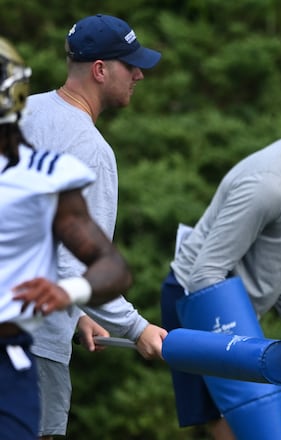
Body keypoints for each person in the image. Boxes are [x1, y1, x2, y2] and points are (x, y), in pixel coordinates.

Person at [160, 74, 281, 439]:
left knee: (240, 424)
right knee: (250, 423)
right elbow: (204, 274)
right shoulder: (270, 184)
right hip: (194, 299)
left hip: (216, 297)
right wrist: (230, 342)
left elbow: (270, 256)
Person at [17, 14, 168, 439]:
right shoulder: (91, 152)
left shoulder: (21, 112)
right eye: (130, 64)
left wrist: (77, 312)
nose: (139, 74)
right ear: (100, 70)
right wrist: (137, 328)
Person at [0, 35, 132, 440]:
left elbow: (108, 267)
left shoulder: (41, 173)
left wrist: (71, 298)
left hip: (18, 352)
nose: (139, 75)